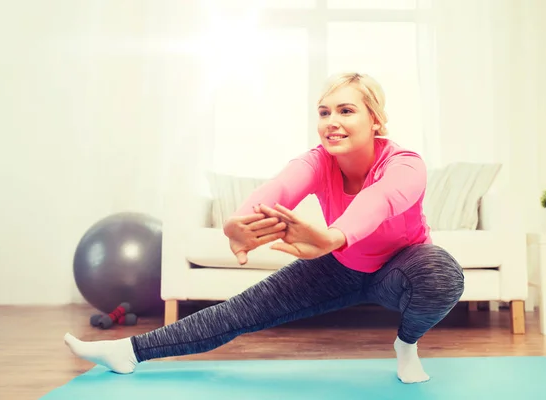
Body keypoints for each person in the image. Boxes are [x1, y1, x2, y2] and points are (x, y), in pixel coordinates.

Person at [64, 72, 464, 384]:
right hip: (338, 265)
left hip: (401, 268)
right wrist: (238, 222)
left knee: (441, 273)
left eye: (346, 111)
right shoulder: (317, 161)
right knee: (239, 312)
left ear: (375, 119)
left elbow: (379, 202)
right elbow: (279, 188)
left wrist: (333, 235)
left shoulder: (405, 163)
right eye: (324, 112)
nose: (331, 122)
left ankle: (406, 345)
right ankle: (128, 352)